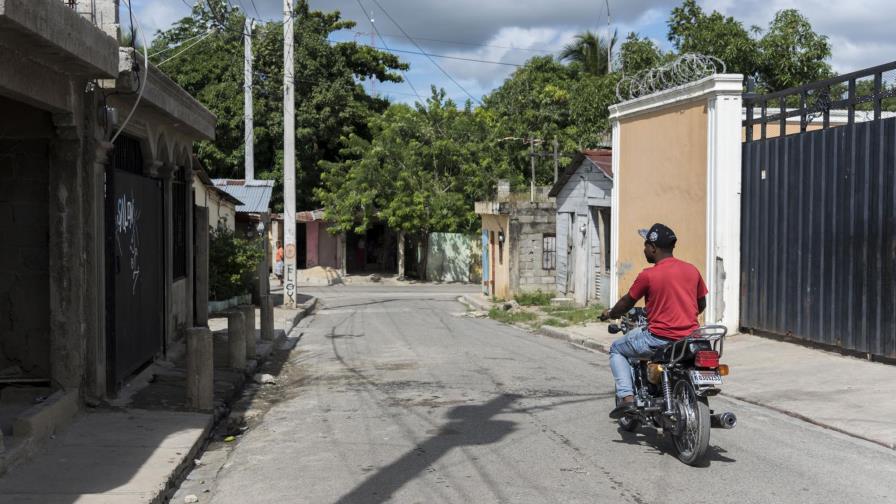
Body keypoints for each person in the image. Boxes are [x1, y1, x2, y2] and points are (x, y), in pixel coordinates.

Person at [601, 223, 707, 419]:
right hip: (689, 340)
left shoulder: (648, 275)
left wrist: (611, 313)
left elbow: (627, 302)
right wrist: (682, 315)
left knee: (617, 349)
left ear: (653, 247)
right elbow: (701, 304)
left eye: (645, 245)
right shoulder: (692, 270)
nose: (644, 250)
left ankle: (627, 399)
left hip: (658, 339)